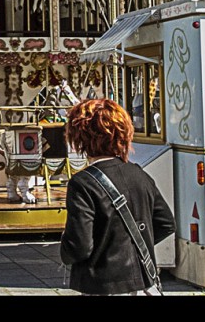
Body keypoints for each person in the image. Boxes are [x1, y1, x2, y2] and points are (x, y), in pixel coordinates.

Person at [60, 98, 175, 296]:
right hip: (144, 282)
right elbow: (166, 222)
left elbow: (79, 246)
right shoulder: (139, 174)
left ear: (80, 137)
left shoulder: (82, 183)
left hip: (103, 284)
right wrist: (132, 245)